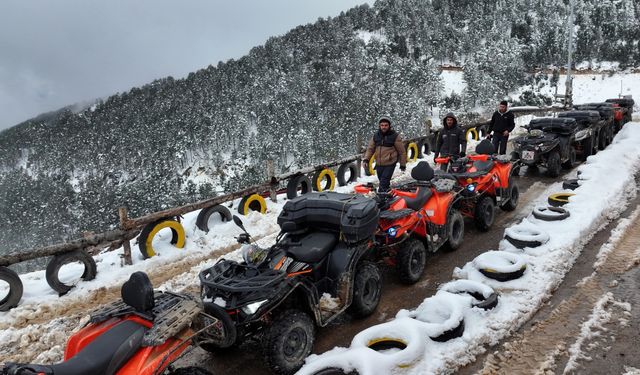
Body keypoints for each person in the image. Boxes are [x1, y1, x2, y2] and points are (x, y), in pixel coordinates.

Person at [362, 116, 407, 193]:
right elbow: (370, 149)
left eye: (386, 125)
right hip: (379, 163)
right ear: (379, 126)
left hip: (390, 163)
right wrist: (366, 159)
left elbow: (402, 151)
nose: (384, 127)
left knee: (383, 183)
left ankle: (381, 200)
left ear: (389, 126)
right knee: (383, 182)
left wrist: (403, 164)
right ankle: (388, 193)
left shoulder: (394, 136)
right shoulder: (376, 136)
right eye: (382, 125)